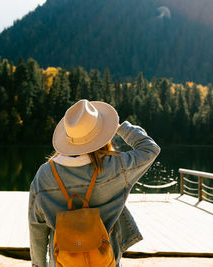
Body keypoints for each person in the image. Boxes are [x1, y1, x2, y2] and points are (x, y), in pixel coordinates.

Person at [29, 99, 160, 267]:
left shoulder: (44, 174)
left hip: (62, 261)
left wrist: (38, 265)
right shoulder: (114, 166)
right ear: (103, 135)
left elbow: (36, 227)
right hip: (104, 258)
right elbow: (150, 149)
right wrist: (119, 127)